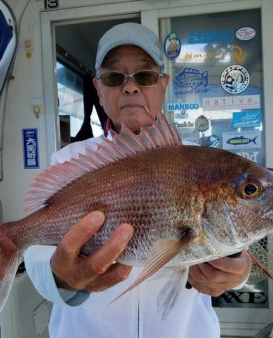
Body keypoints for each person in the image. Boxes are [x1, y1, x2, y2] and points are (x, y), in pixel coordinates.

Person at [24, 22, 252, 338]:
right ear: (98, 89)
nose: (130, 87)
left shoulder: (200, 164)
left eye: (144, 77)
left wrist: (237, 272)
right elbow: (34, 252)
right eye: (114, 78)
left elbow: (230, 247)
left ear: (163, 85)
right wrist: (61, 278)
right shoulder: (69, 163)